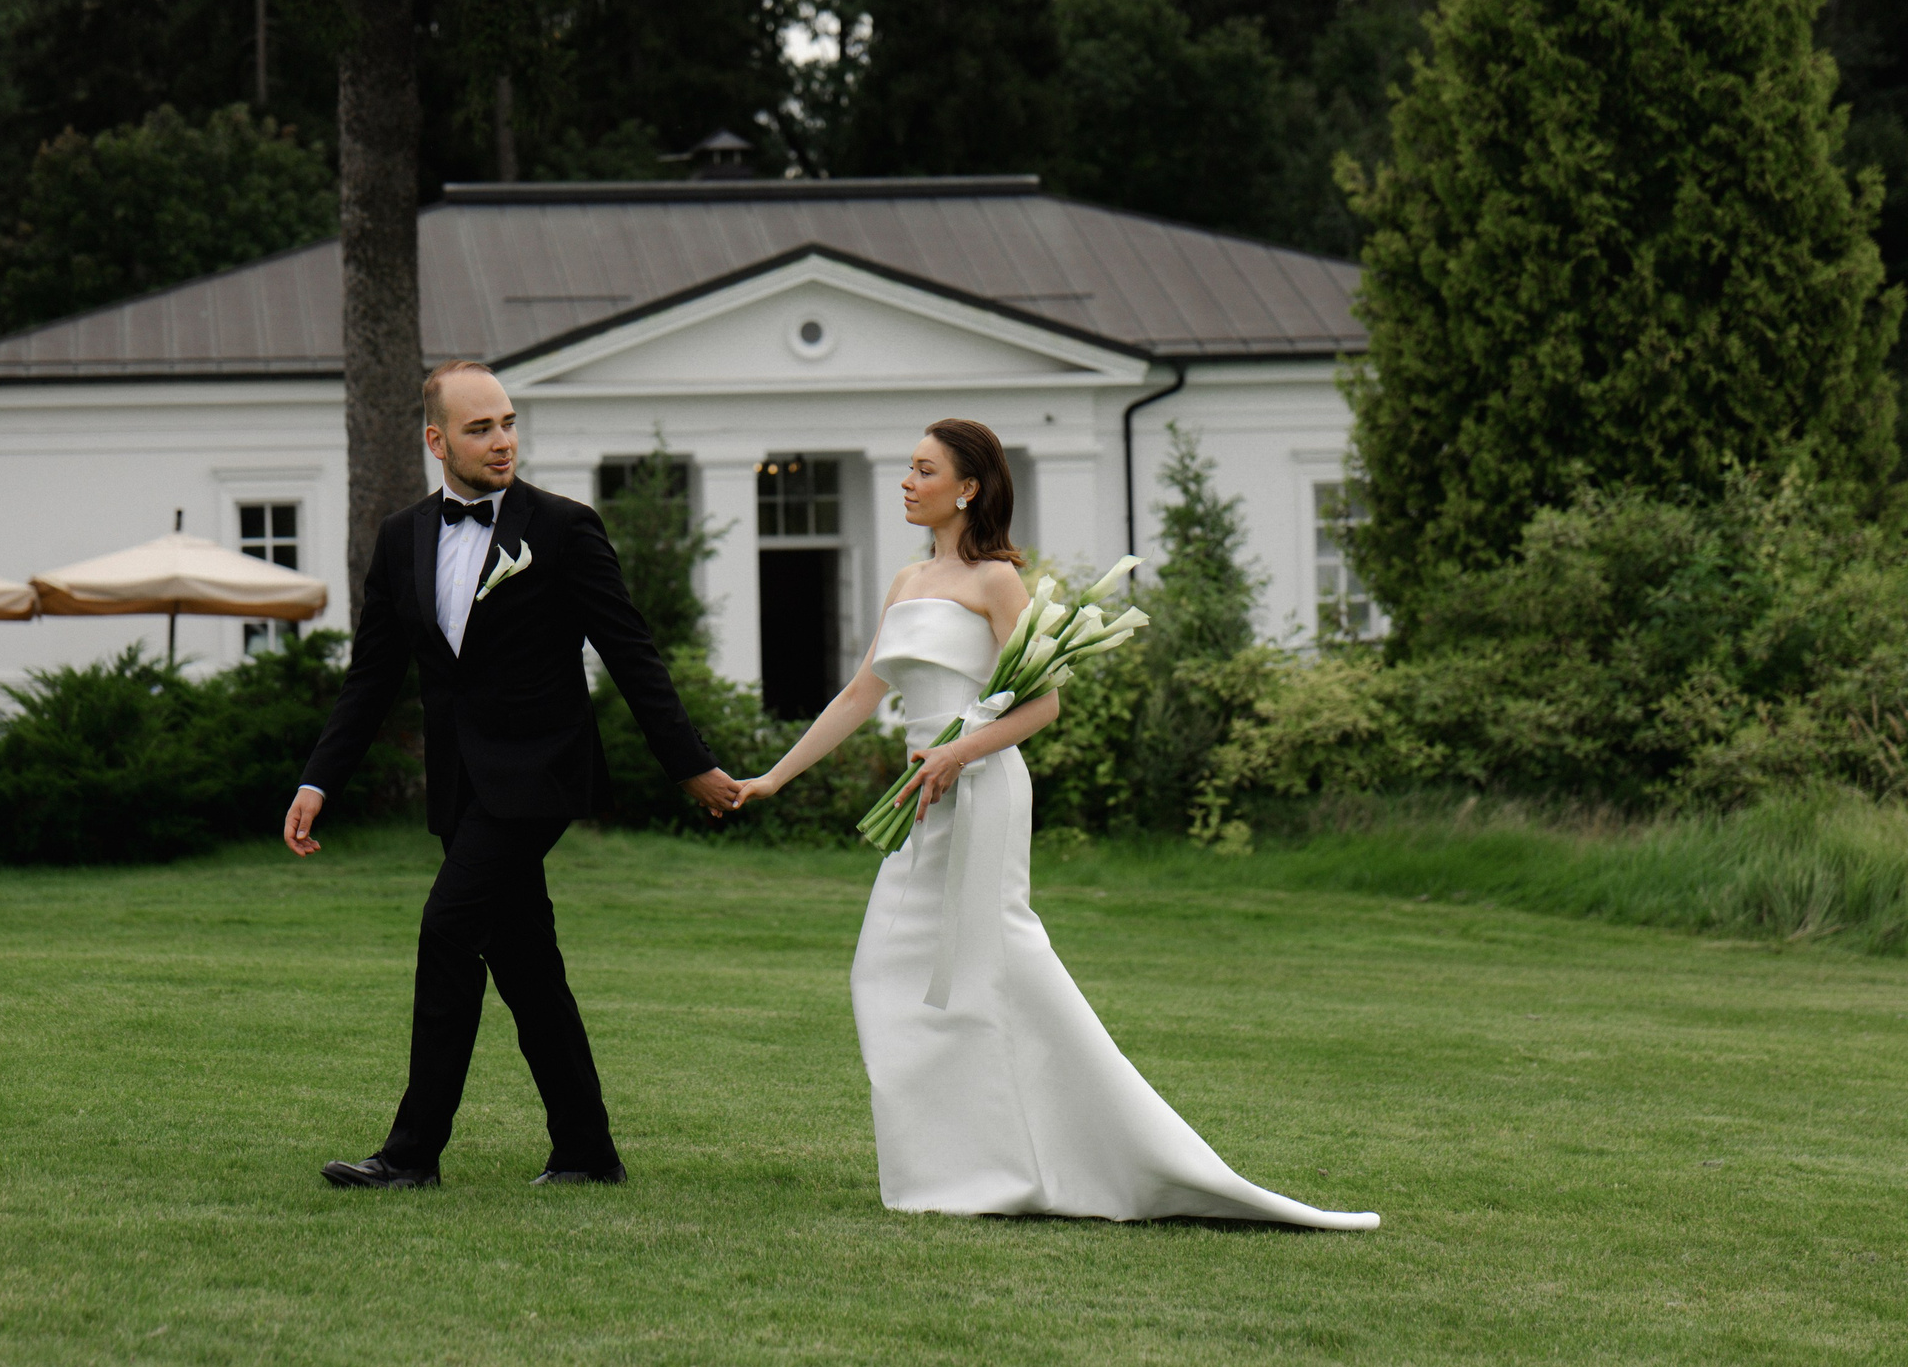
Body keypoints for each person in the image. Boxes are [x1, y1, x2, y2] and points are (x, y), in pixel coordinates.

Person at [732, 419, 1378, 1228]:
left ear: (967, 488)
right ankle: (960, 1168)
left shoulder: (999, 580)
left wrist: (957, 752)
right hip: (922, 793)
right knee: (886, 974)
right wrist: (773, 776)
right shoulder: (905, 580)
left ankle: (1062, 1161)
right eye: (909, 467)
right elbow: (861, 694)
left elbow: (1042, 705)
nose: (906, 480)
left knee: (987, 966)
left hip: (980, 789)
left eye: (924, 469)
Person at [286, 360, 741, 1190]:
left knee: (446, 929)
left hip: (539, 775)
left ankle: (411, 1154)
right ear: (437, 441)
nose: (502, 441)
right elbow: (373, 677)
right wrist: (319, 780)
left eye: (508, 422)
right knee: (526, 963)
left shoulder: (564, 528)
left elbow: (631, 653)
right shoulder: (401, 537)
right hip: (461, 785)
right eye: (480, 428)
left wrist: (692, 765)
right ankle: (587, 1151)